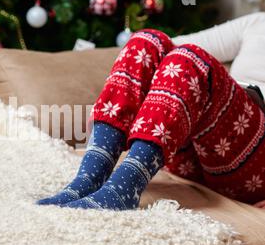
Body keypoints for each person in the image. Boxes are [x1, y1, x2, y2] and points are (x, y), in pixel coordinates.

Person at [37, 13, 265, 210]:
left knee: (190, 61)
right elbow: (174, 48)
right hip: (191, 147)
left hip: (251, 160)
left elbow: (193, 60)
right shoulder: (257, 23)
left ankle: (123, 192)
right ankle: (88, 179)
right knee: (146, 42)